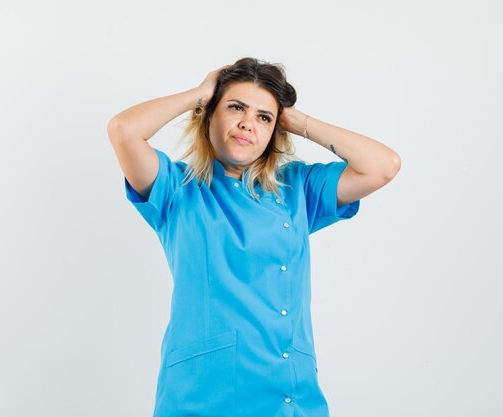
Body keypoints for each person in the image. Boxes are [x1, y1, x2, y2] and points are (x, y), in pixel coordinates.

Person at [107, 57, 401, 417]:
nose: (249, 123)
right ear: (208, 114)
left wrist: (298, 121)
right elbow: (123, 130)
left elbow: (383, 165)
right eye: (236, 108)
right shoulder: (176, 188)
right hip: (203, 396)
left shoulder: (297, 189)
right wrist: (200, 93)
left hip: (290, 396)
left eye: (264, 117)